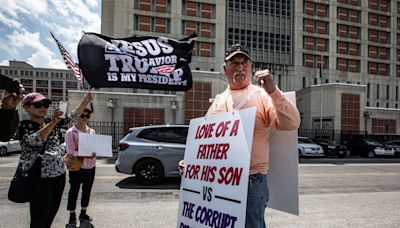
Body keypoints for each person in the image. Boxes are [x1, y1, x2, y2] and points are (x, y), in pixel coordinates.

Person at [179, 44, 300, 228]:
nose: (240, 68)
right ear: (225, 68)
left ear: (250, 66)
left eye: (244, 63)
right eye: (235, 63)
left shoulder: (262, 95)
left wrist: (273, 91)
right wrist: (192, 163)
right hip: (219, 182)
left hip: (251, 181)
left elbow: (291, 123)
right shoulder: (219, 100)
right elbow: (205, 143)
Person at [15, 91, 93, 228]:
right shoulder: (26, 125)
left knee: (51, 214)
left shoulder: (50, 122)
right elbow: (35, 140)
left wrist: (85, 101)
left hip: (58, 175)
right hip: (40, 177)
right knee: (39, 217)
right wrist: (52, 123)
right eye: (38, 105)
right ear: (26, 108)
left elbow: (71, 117)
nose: (43, 108)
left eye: (45, 104)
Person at [65, 108, 96, 227]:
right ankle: (72, 215)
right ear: (76, 117)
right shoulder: (70, 132)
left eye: (87, 116)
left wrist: (95, 152)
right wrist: (84, 153)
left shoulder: (91, 131)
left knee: (87, 190)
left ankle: (83, 213)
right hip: (77, 166)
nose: (85, 118)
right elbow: (70, 151)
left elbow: (95, 147)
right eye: (82, 116)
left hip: (90, 166)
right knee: (74, 190)